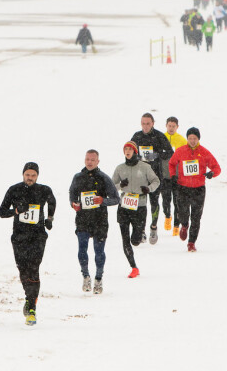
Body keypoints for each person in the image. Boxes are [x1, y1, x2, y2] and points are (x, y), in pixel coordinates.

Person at [0, 162, 56, 325]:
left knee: (34, 268)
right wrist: (16, 211)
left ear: (37, 176)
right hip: (19, 237)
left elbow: (52, 202)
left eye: (33, 175)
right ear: (23, 174)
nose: (30, 178)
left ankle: (32, 308)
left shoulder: (44, 190)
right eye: (27, 175)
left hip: (38, 236)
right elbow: (1, 212)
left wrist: (49, 219)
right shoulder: (14, 190)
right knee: (23, 270)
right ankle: (29, 297)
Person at [68, 150, 120, 294]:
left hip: (99, 220)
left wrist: (103, 201)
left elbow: (116, 198)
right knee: (82, 249)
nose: (89, 162)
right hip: (83, 219)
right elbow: (71, 195)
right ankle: (85, 276)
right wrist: (74, 204)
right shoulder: (78, 177)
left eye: (92, 159)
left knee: (99, 252)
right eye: (87, 159)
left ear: (98, 161)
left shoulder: (104, 178)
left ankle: (98, 278)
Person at [168, 127, 221, 252]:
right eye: (190, 138)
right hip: (183, 187)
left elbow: (217, 168)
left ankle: (191, 242)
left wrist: (211, 174)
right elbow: (171, 163)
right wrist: (173, 175)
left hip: (198, 189)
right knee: (182, 212)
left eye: (195, 138)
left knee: (196, 217)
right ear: (187, 139)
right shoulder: (180, 151)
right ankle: (184, 225)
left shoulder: (204, 152)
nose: (192, 141)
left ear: (198, 139)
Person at [112, 142, 160, 278]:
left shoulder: (145, 167)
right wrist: (120, 185)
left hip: (140, 206)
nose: (127, 151)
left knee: (135, 240)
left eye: (130, 149)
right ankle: (134, 267)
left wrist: (148, 189)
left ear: (134, 151)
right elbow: (111, 187)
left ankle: (141, 234)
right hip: (124, 206)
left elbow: (156, 181)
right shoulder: (120, 168)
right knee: (125, 239)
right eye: (125, 149)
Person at [130, 113, 173, 244]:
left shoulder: (159, 136)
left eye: (148, 123)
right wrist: (136, 158)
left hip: (155, 176)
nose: (145, 126)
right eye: (143, 123)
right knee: (140, 205)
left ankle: (153, 227)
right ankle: (141, 230)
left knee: (154, 202)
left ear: (153, 123)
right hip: (140, 176)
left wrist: (158, 155)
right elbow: (128, 152)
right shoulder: (136, 136)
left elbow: (170, 152)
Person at [162, 117, 187, 235]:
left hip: (177, 176)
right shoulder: (161, 137)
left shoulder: (182, 140)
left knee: (177, 201)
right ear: (166, 126)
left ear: (177, 127)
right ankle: (167, 216)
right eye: (169, 126)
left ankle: (176, 224)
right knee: (166, 200)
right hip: (165, 175)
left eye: (173, 126)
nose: (171, 128)